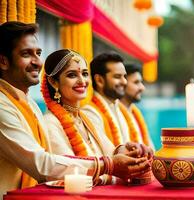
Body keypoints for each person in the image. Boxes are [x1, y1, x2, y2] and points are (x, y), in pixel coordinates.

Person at [0, 21, 150, 197]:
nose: (36, 61)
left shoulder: (30, 104)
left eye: (38, 53)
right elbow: (44, 165)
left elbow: (109, 152)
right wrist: (109, 167)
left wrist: (129, 152)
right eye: (26, 54)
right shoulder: (17, 110)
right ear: (3, 61)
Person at [42, 49, 152, 185]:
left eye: (84, 74)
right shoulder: (50, 123)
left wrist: (132, 151)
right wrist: (110, 174)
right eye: (72, 75)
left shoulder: (84, 118)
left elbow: (111, 152)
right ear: (54, 82)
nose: (82, 81)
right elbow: (67, 172)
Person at [83, 52, 144, 146]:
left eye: (124, 76)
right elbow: (107, 155)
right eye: (117, 77)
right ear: (99, 80)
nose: (124, 82)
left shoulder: (121, 110)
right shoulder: (90, 113)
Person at [120, 63, 154, 149]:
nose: (142, 88)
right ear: (122, 84)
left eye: (141, 82)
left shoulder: (135, 113)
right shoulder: (114, 115)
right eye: (136, 82)